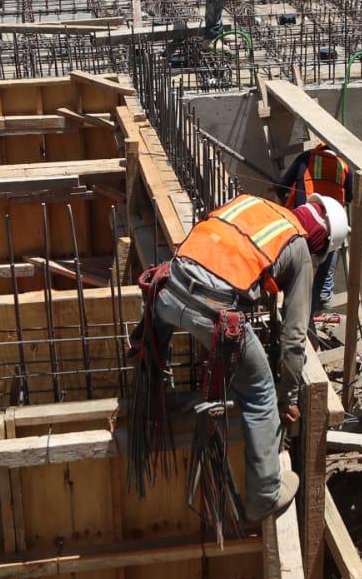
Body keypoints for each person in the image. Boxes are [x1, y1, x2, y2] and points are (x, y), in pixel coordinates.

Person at [144, 192, 349, 519]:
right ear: (321, 241)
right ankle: (265, 495)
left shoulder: (257, 206)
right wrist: (288, 396)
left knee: (151, 356)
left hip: (164, 292)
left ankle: (160, 401)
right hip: (210, 313)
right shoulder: (298, 247)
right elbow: (294, 338)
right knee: (260, 393)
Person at [277, 142, 355, 315]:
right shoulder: (344, 167)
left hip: (304, 222)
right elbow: (349, 197)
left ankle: (292, 311)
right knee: (328, 256)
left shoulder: (306, 158)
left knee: (298, 271)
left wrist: (287, 206)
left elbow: (281, 185)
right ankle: (321, 299)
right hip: (332, 226)